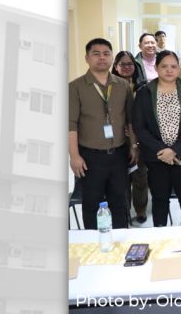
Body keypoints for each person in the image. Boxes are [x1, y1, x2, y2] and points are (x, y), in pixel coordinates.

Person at [69, 38, 136, 229]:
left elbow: (130, 120)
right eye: (96, 54)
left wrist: (133, 145)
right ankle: (91, 244)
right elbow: (70, 124)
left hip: (119, 154)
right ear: (87, 58)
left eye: (106, 53)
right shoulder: (76, 87)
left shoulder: (122, 85)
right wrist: (74, 156)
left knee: (120, 202)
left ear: (112, 58)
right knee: (92, 204)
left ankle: (122, 240)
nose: (102, 58)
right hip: (91, 156)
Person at [132, 50, 181, 226]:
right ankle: (160, 236)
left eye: (173, 66)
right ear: (156, 68)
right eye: (164, 66)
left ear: (179, 69)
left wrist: (175, 150)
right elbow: (139, 127)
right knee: (160, 198)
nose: (169, 70)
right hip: (157, 156)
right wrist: (162, 150)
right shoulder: (144, 93)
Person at [111, 51, 148, 223]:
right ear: (116, 67)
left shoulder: (143, 87)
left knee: (140, 176)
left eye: (130, 64)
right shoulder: (109, 86)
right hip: (117, 138)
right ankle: (124, 210)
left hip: (140, 138)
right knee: (121, 177)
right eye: (122, 64)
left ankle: (140, 210)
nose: (126, 67)